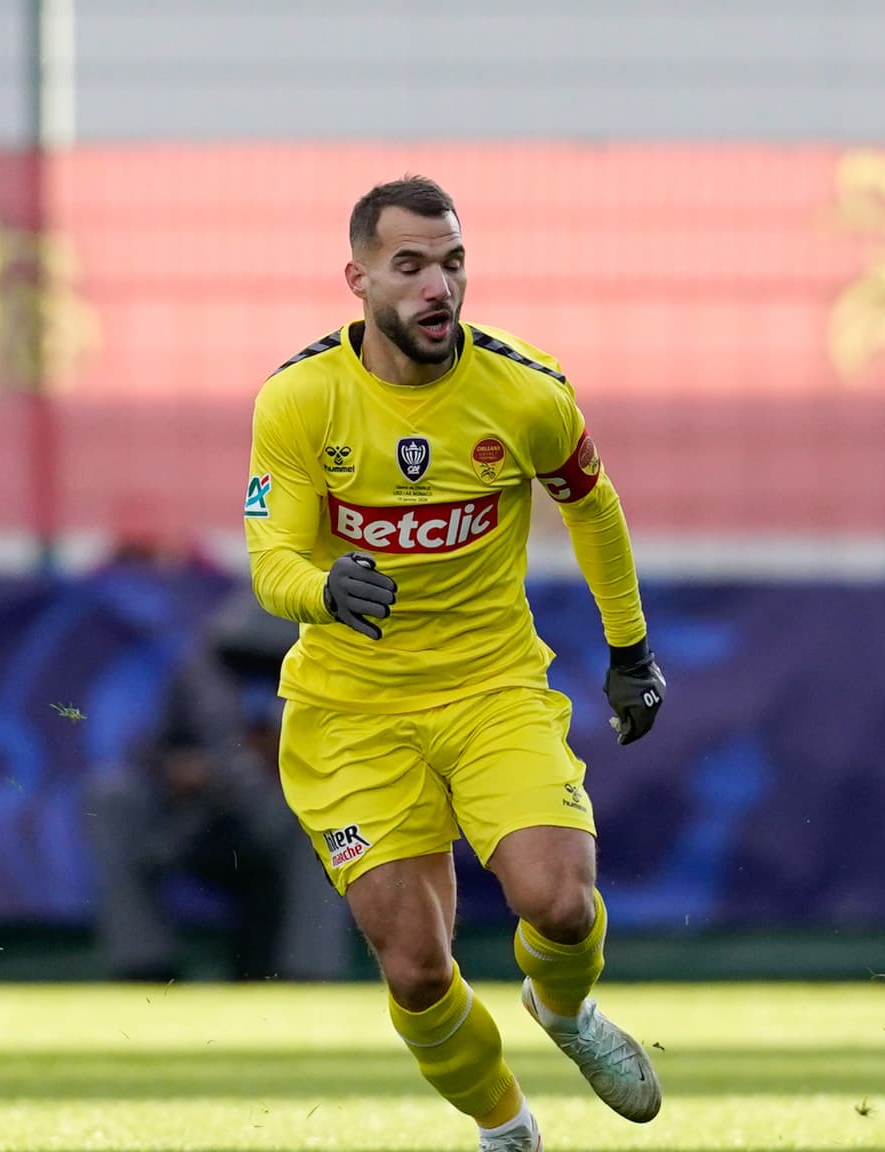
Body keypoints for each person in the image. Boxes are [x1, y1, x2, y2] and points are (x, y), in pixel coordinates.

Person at [244, 176, 669, 1152]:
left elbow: (593, 508)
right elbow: (270, 559)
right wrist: (323, 591)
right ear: (358, 280)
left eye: (453, 263)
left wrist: (630, 649)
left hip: (491, 688)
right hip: (350, 712)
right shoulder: (299, 399)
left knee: (562, 904)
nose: (438, 287)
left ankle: (564, 1010)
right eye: (410, 266)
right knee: (417, 970)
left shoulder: (526, 391)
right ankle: (504, 1125)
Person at [86, 590, 347, 984]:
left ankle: (308, 976)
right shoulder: (200, 669)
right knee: (108, 794)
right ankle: (146, 968)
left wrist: (290, 756)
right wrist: (179, 767)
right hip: (197, 818)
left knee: (318, 817)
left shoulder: (327, 670)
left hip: (278, 822)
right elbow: (155, 750)